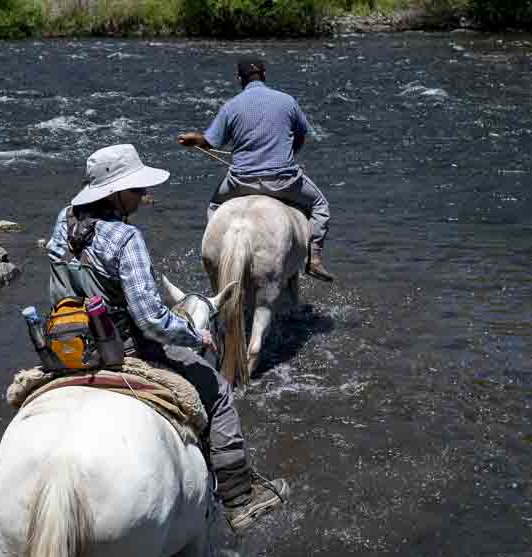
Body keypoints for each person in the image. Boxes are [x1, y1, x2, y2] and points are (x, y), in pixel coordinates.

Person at [46, 143, 289, 533]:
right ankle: (240, 498)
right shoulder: (125, 239)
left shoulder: (63, 220)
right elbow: (151, 319)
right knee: (220, 393)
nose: (144, 195)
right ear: (114, 193)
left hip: (66, 345)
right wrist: (195, 334)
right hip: (120, 349)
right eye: (136, 188)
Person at [177, 60, 334, 281]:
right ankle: (314, 259)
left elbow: (210, 142)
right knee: (320, 205)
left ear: (239, 79)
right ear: (264, 74)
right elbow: (301, 136)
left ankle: (218, 254)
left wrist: (194, 139)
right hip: (284, 180)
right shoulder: (287, 101)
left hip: (241, 182)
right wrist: (290, 153)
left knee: (215, 206)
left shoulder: (231, 106)